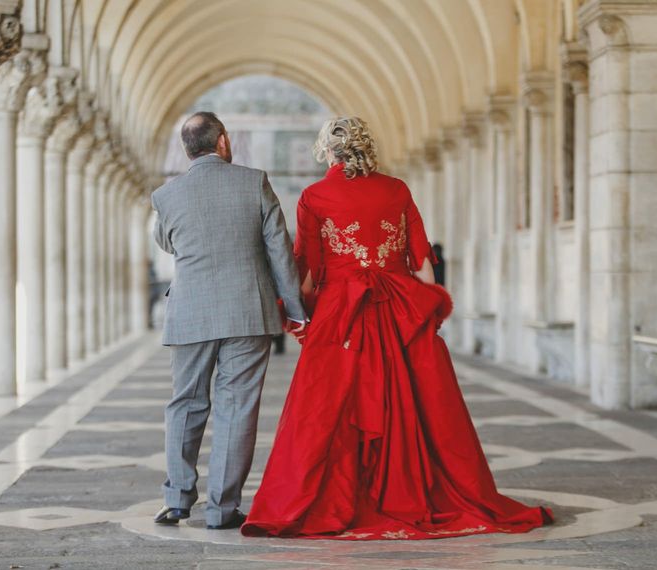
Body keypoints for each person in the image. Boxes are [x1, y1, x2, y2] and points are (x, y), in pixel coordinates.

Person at [241, 117, 551, 539]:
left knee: (327, 411)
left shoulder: (314, 196)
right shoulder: (397, 189)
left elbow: (308, 269)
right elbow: (421, 260)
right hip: (399, 308)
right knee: (417, 403)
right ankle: (413, 492)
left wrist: (299, 313)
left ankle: (331, 499)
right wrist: (429, 311)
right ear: (366, 149)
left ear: (328, 153)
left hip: (342, 314)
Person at [150, 111, 307, 530]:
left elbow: (167, 241)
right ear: (223, 141)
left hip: (189, 314)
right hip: (248, 312)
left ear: (187, 150)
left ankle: (178, 500)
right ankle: (222, 508)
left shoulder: (166, 195)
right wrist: (294, 309)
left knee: (185, 403)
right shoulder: (254, 182)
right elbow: (279, 249)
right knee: (237, 407)